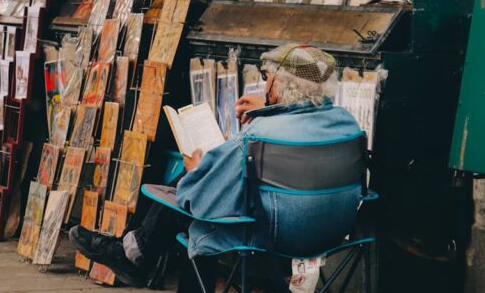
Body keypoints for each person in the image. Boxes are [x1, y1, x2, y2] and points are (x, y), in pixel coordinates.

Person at [70, 44, 363, 291]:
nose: (264, 83)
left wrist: (198, 171)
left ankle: (136, 253)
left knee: (194, 213)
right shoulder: (346, 123)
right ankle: (136, 250)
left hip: (275, 237)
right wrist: (267, 107)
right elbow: (300, 117)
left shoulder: (260, 135)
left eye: (267, 76)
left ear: (284, 84)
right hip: (333, 233)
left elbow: (197, 200)